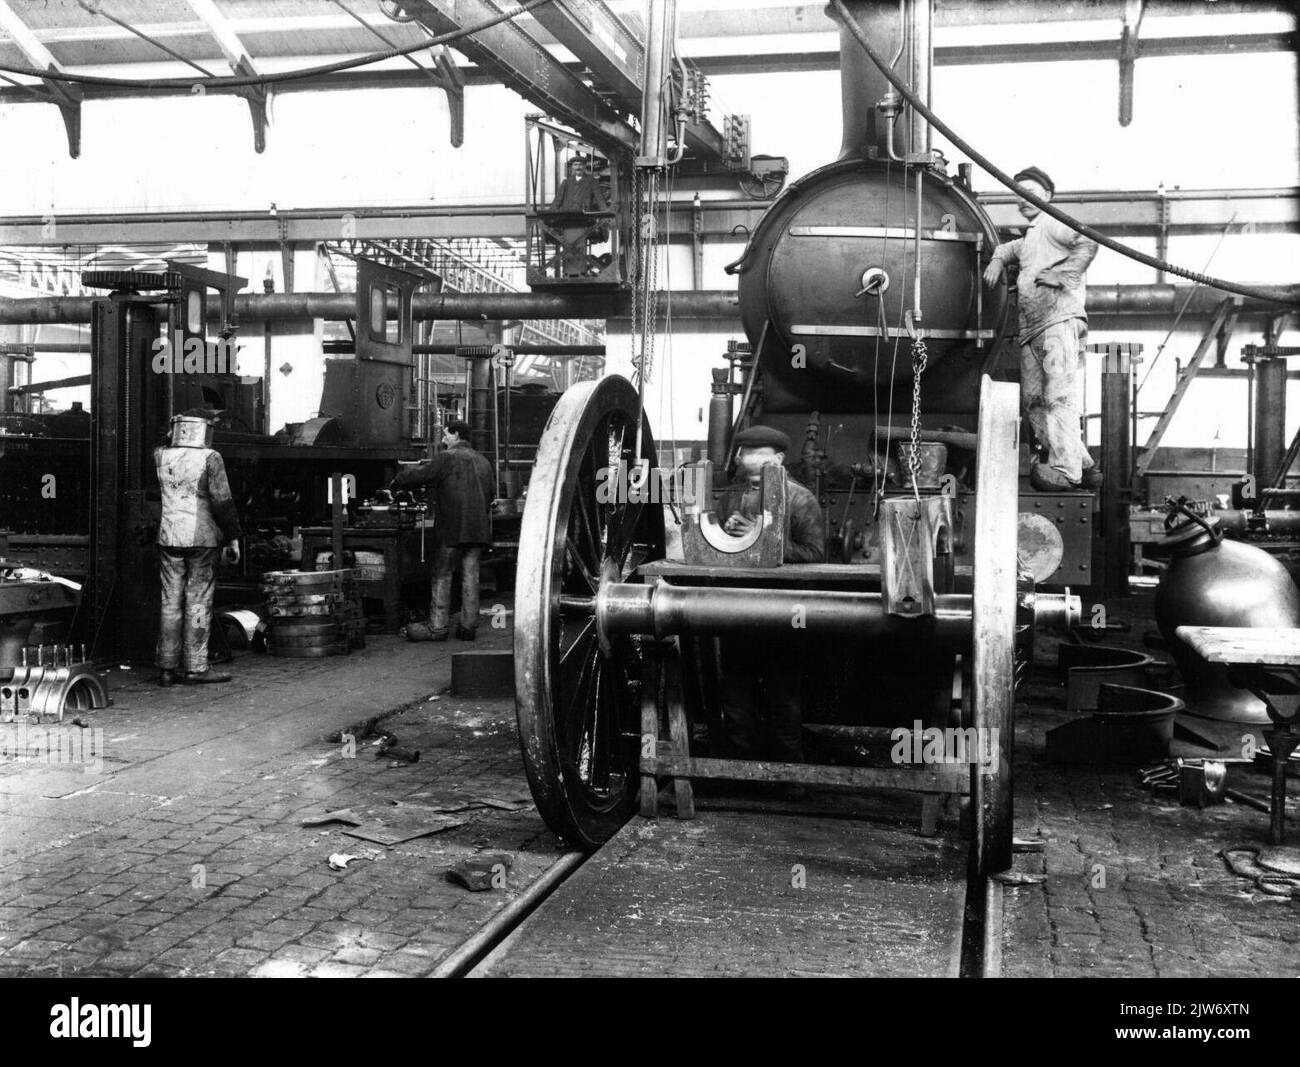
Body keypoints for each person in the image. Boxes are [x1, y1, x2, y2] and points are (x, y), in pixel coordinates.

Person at [714, 426, 826, 789]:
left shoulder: (800, 499)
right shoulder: (731, 497)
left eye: (758, 452)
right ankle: (740, 780)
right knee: (736, 700)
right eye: (744, 451)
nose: (747, 458)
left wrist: (760, 537)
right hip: (737, 609)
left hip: (783, 612)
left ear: (778, 459)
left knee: (784, 700)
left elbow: (815, 555)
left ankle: (791, 781)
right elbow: (716, 547)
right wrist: (728, 534)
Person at [983, 165, 1102, 491]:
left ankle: (1066, 469)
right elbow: (1011, 249)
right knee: (1034, 401)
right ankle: (1084, 464)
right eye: (1019, 194)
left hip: (1057, 325)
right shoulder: (1034, 234)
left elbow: (1089, 242)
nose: (1023, 200)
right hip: (1032, 331)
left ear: (1047, 196)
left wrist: (1065, 275)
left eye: (1031, 193)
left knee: (1056, 397)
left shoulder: (1055, 224)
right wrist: (997, 258)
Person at [154, 410, 243, 686]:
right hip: (202, 539)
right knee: (198, 603)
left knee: (170, 604)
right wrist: (233, 537)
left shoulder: (160, 455)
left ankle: (166, 669)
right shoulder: (210, 457)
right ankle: (196, 667)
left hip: (168, 537)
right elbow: (222, 502)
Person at [392, 420, 495, 642]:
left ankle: (438, 628)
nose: (443, 439)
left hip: (452, 528)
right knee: (471, 576)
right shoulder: (484, 462)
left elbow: (421, 475)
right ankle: (468, 628)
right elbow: (491, 495)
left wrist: (398, 477)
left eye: (446, 435)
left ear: (456, 435)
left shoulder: (447, 458)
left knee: (442, 574)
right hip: (478, 529)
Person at [546, 156, 610, 277]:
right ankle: (568, 273)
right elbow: (557, 201)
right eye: (575, 165)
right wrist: (550, 214)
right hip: (567, 218)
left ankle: (580, 272)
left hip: (583, 218)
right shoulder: (566, 182)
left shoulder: (591, 181)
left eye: (580, 165)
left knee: (579, 245)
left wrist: (606, 213)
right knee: (568, 244)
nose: (578, 167)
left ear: (585, 167)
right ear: (571, 167)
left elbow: (599, 199)